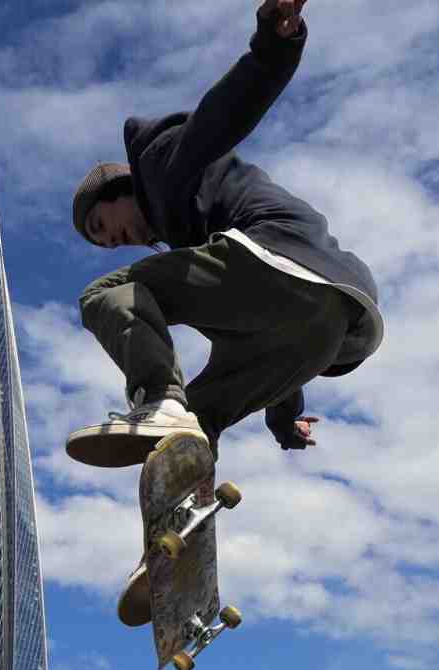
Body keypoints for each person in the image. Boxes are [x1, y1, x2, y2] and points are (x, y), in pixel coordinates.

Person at [65, 0, 387, 619]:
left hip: (277, 263)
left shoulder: (164, 166)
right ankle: (172, 548)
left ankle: (157, 396)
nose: (119, 239)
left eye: (109, 224)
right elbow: (274, 349)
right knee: (198, 423)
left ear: (122, 187)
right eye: (106, 241)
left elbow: (221, 116)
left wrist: (273, 45)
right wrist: (284, 420)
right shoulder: (199, 245)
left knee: (106, 295)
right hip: (332, 320)